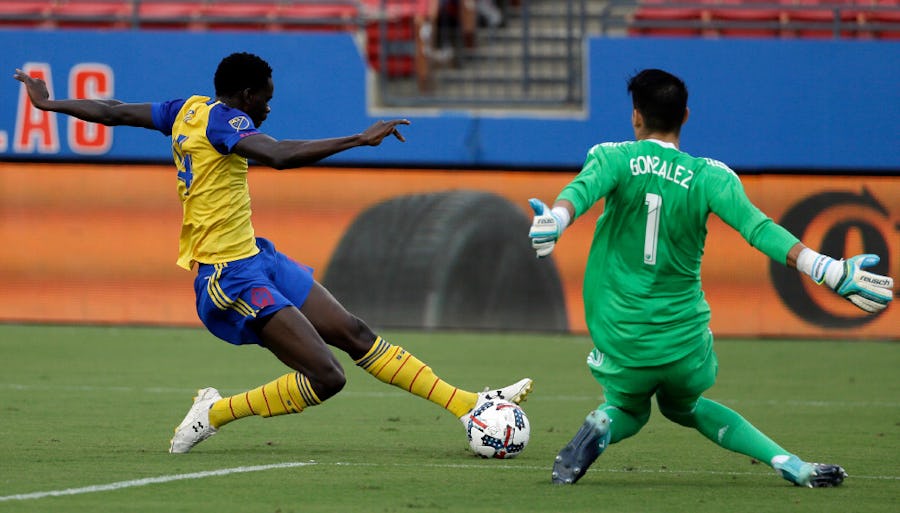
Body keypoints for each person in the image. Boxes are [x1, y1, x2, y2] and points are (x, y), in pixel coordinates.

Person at [13, 52, 532, 454]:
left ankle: (469, 406)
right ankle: (214, 414)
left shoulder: (187, 110)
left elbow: (113, 112)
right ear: (244, 95)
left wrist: (50, 105)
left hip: (257, 257)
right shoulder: (224, 122)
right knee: (328, 377)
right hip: (229, 277)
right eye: (264, 99)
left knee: (354, 332)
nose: (267, 107)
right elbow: (280, 155)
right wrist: (359, 139)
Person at [527, 69, 893, 487]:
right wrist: (827, 268)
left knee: (630, 409)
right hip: (684, 344)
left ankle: (604, 423)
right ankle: (788, 462)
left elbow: (581, 191)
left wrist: (556, 220)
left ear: (636, 116)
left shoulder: (613, 158)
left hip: (623, 339)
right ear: (686, 115)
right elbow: (758, 229)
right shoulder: (710, 177)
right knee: (683, 406)